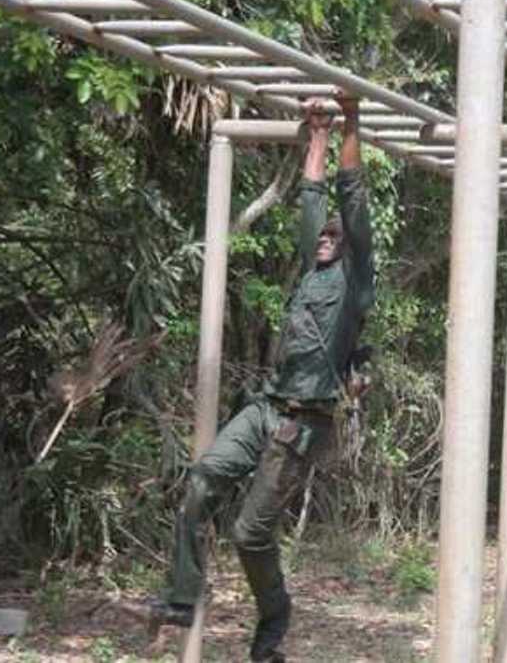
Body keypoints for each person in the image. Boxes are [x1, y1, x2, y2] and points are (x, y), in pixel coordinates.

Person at [149, 96, 374, 663]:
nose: (324, 237)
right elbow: (313, 199)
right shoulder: (309, 273)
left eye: (333, 236)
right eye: (320, 237)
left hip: (302, 423)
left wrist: (351, 119)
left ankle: (274, 620)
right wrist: (316, 134)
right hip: (266, 408)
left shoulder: (354, 283)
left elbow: (349, 200)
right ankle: (181, 598)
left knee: (249, 534)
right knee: (200, 482)